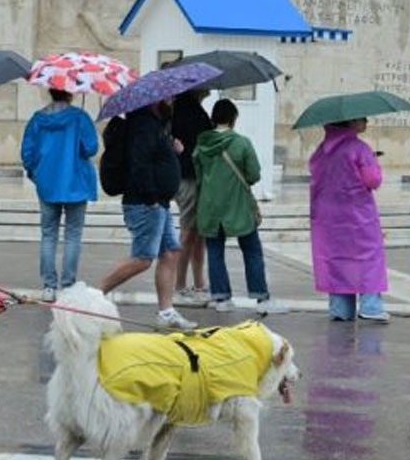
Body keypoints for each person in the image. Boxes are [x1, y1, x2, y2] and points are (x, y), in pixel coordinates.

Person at [99, 99, 194, 329]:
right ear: (154, 101)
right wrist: (151, 197)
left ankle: (166, 312)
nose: (171, 101)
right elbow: (139, 164)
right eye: (168, 98)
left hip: (157, 203)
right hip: (146, 203)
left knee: (171, 252)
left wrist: (173, 150)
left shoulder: (154, 126)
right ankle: (93, 295)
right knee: (142, 259)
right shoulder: (144, 126)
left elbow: (155, 160)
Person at [193, 99, 289, 315]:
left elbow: (198, 176)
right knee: (252, 250)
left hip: (210, 206)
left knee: (215, 252)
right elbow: (253, 174)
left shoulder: (201, 144)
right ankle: (260, 296)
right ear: (234, 118)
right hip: (238, 206)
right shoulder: (242, 143)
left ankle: (221, 298)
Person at [21, 88, 99, 302]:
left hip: (47, 183)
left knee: (48, 235)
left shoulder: (38, 119)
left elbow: (27, 152)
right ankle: (68, 286)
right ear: (70, 94)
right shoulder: (80, 117)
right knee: (73, 235)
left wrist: (35, 173)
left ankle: (48, 286)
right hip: (76, 183)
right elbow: (91, 149)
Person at [309, 118, 389, 322]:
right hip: (358, 215)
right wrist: (374, 162)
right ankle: (371, 307)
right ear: (350, 122)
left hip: (328, 218)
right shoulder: (359, 149)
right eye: (362, 118)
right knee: (367, 258)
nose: (366, 121)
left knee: (337, 260)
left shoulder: (321, 150)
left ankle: (340, 309)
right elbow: (373, 180)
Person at [171, 88, 214, 307]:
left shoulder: (183, 108)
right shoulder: (187, 110)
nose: (210, 87)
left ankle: (198, 283)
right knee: (189, 231)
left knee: (198, 232)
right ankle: (179, 285)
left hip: (190, 176)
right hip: (189, 177)